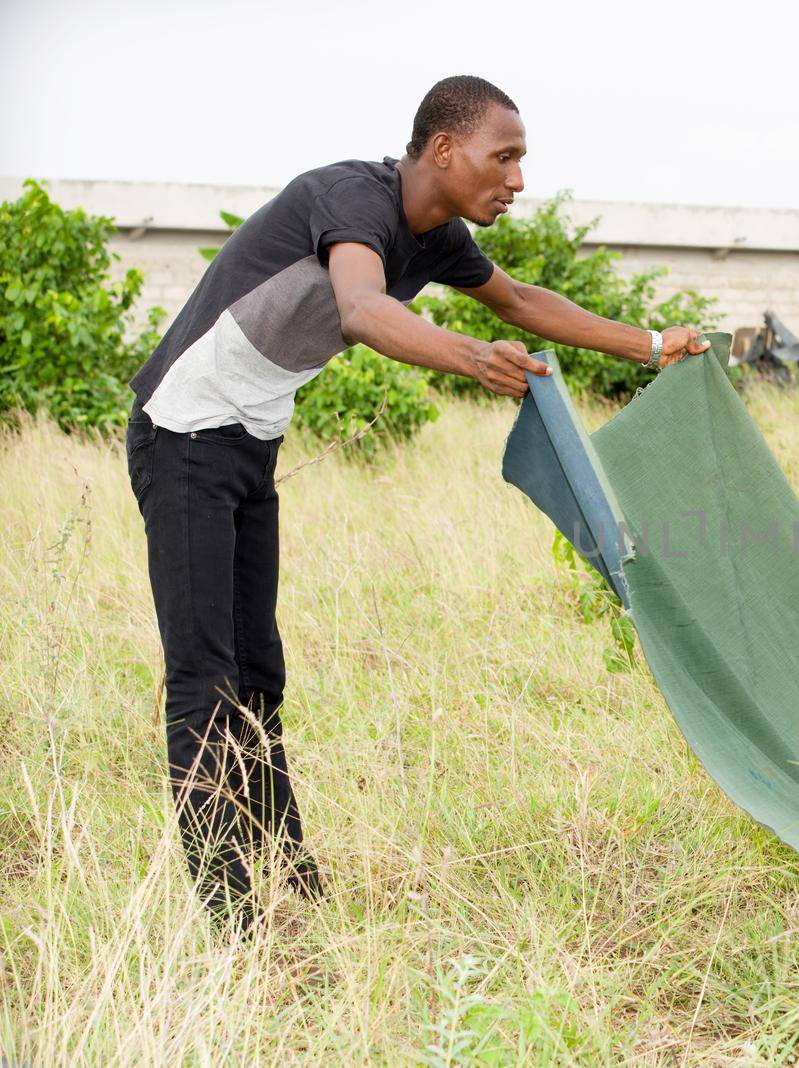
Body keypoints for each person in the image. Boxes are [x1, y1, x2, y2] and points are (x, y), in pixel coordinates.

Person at [123, 75, 709, 929]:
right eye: (503, 157)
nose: (516, 179)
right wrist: (472, 359)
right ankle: (228, 914)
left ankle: (288, 872)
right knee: (205, 677)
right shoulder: (351, 197)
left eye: (520, 162)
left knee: (260, 672)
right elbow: (360, 308)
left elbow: (520, 302)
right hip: (181, 434)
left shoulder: (438, 240)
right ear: (443, 149)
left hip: (249, 441)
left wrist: (652, 343)